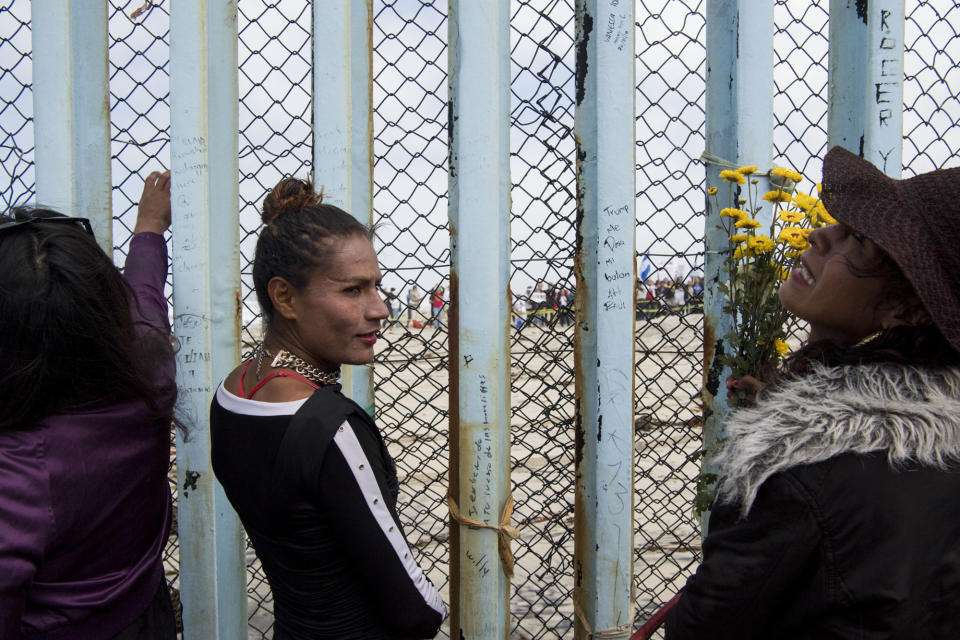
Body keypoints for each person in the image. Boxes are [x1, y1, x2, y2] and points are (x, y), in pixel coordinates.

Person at [665, 147, 960, 639]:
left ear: (908, 309)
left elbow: (701, 628)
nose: (819, 234)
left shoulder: (799, 472)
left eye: (859, 238)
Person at [209, 177, 444, 639]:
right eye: (353, 290)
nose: (379, 309)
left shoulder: (231, 393)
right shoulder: (330, 428)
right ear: (285, 298)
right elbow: (413, 607)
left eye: (377, 286)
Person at [0, 172, 178, 638]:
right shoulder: (149, 381)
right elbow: (144, 299)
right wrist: (149, 231)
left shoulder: (17, 466)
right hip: (146, 610)